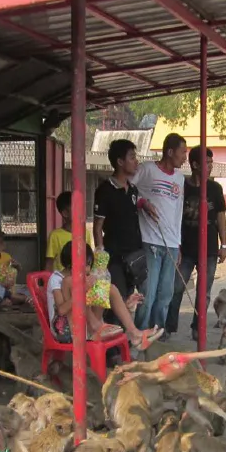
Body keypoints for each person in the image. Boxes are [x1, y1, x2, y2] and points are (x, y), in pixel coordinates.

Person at [47, 242, 159, 349]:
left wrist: (125, 304)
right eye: (86, 264)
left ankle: (134, 332)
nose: (88, 269)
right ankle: (96, 327)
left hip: (83, 322)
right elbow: (61, 310)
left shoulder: (80, 278)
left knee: (110, 288)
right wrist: (82, 291)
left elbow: (96, 299)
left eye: (89, 265)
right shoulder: (57, 279)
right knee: (76, 285)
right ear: (71, 264)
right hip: (64, 329)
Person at [167, 146, 226, 338]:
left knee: (204, 292)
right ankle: (169, 328)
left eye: (211, 162)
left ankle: (197, 328)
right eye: (206, 163)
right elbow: (174, 216)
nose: (210, 166)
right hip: (185, 248)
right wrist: (176, 245)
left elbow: (220, 217)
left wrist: (223, 244)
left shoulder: (215, 189)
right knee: (176, 288)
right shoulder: (182, 187)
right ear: (194, 165)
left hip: (209, 249)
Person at [93, 139, 156, 325]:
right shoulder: (105, 190)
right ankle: (113, 352)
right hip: (115, 258)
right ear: (120, 162)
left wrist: (146, 204)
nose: (136, 161)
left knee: (130, 301)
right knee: (116, 302)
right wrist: (100, 259)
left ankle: (125, 344)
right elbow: (97, 227)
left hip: (134, 256)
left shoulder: (133, 190)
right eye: (132, 157)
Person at [133, 132, 187, 332]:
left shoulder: (180, 179)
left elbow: (177, 212)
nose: (184, 157)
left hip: (171, 244)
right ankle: (140, 332)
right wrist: (142, 203)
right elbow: (128, 188)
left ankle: (158, 331)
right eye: (182, 152)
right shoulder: (147, 169)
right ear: (170, 151)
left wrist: (178, 244)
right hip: (150, 241)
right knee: (149, 291)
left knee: (166, 293)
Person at [44, 191, 74, 272]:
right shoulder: (55, 235)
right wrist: (47, 282)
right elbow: (49, 263)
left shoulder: (86, 234)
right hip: (60, 282)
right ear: (65, 213)